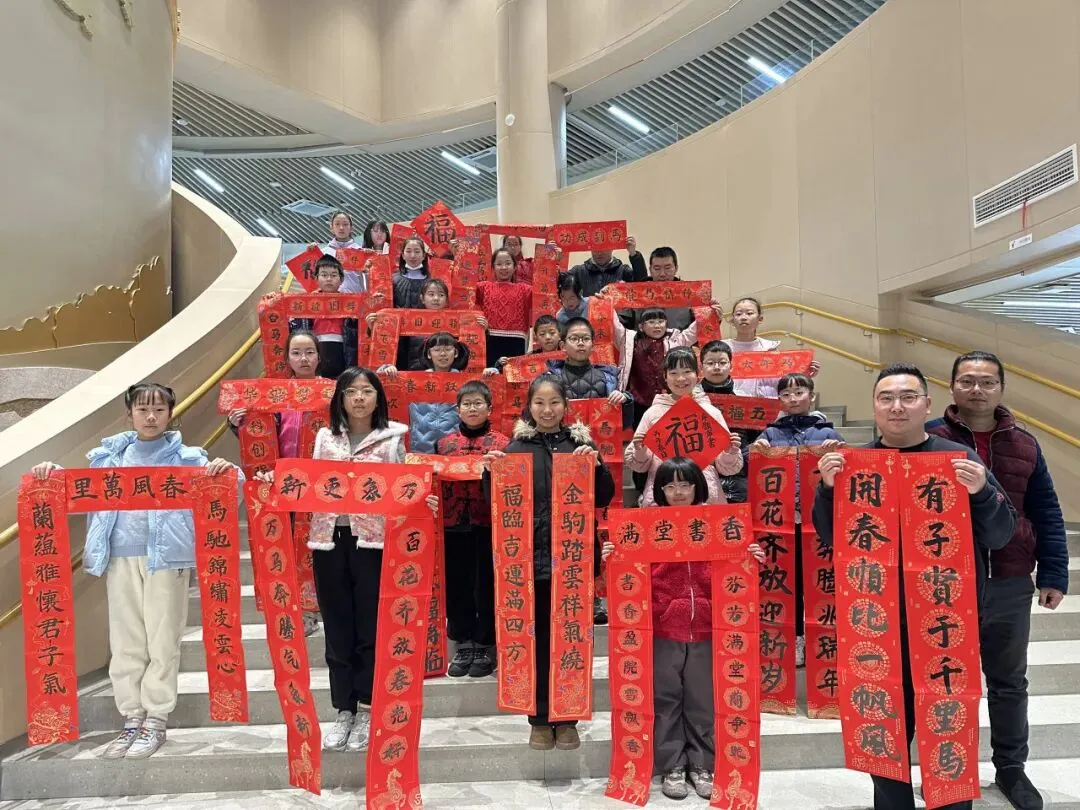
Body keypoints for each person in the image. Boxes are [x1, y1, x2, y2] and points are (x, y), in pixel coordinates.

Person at [812, 363, 1016, 810]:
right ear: (874, 406)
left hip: (944, 625)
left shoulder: (959, 459)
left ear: (927, 404)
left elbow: (1002, 534)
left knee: (948, 725)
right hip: (876, 627)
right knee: (880, 727)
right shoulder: (855, 465)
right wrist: (827, 489)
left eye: (908, 397)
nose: (897, 407)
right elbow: (829, 537)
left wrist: (982, 492)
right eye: (886, 398)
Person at [32, 383, 242, 760]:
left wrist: (228, 471)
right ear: (129, 413)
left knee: (163, 640)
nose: (150, 417)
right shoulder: (108, 459)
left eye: (159, 410)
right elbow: (79, 493)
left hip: (168, 560)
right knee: (126, 641)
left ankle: (156, 719)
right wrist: (52, 474)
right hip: (120, 558)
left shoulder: (188, 458)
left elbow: (230, 492)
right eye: (142, 409)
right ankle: (132, 717)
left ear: (170, 414)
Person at [926, 351, 1067, 810]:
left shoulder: (1024, 444)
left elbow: (1046, 511)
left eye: (987, 382)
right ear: (952, 386)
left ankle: (1011, 768)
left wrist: (1053, 573)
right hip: (943, 585)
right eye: (967, 381)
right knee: (943, 682)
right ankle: (947, 767)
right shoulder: (929, 439)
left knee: (1008, 682)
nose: (977, 390)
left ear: (1001, 388)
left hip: (1009, 580)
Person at [602, 457, 765, 800]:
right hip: (663, 628)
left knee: (702, 700)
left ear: (698, 486)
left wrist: (750, 555)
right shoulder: (646, 526)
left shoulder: (719, 524)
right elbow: (626, 579)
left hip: (708, 628)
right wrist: (614, 556)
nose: (678, 492)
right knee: (666, 700)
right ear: (659, 490)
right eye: (670, 486)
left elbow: (736, 573)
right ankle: (672, 765)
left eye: (685, 484)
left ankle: (702, 764)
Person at [301, 368, 437, 753]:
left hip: (374, 543)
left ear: (379, 397)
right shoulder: (325, 438)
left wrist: (421, 501)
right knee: (336, 628)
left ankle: (365, 706)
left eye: (366, 391)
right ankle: (342, 709)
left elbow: (404, 489)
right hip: (329, 540)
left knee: (369, 628)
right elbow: (310, 485)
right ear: (340, 398)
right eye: (351, 391)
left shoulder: (392, 438)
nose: (359, 398)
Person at [482, 374, 615, 751]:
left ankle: (567, 718)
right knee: (537, 642)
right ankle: (540, 719)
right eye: (539, 403)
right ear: (529, 407)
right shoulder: (514, 449)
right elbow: (497, 505)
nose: (547, 410)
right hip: (529, 565)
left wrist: (597, 467)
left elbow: (603, 497)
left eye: (554, 402)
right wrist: (489, 473)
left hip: (572, 563)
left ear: (565, 406)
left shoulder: (581, 446)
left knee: (571, 641)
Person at [227, 330, 324, 636]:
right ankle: (290, 610)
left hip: (319, 484)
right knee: (285, 547)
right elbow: (261, 436)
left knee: (314, 549)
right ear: (287, 359)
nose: (303, 358)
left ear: (319, 357)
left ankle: (313, 608)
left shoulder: (332, 392)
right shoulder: (273, 394)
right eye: (296, 353)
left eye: (309, 352)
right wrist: (238, 423)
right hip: (279, 484)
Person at [752, 373, 844, 667]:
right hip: (781, 523)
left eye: (799, 392)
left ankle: (827, 639)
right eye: (786, 394)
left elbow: (846, 471)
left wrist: (838, 454)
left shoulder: (827, 433)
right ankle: (796, 639)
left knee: (820, 582)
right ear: (779, 399)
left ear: (811, 396)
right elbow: (750, 465)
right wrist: (755, 452)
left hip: (818, 522)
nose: (793, 399)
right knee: (788, 584)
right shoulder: (769, 434)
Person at [436, 381, 511, 678]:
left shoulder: (503, 444)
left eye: (478, 403)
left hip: (488, 525)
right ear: (457, 409)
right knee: (457, 585)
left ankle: (484, 643)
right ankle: (462, 641)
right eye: (466, 404)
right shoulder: (444, 445)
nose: (472, 408)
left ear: (489, 408)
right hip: (453, 525)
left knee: (486, 585)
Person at [626, 348, 743, 507]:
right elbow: (639, 465)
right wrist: (640, 451)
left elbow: (727, 468)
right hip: (662, 495)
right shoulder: (652, 413)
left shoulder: (710, 412)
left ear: (697, 374)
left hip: (705, 494)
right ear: (665, 376)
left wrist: (730, 452)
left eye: (687, 371)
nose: (681, 378)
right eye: (673, 373)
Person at [614, 304, 719, 429]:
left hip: (669, 400)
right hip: (638, 401)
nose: (657, 325)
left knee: (670, 432)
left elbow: (694, 330)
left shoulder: (675, 340)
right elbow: (615, 325)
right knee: (642, 433)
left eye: (661, 321)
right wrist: (604, 303)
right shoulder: (629, 340)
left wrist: (710, 311)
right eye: (651, 322)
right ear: (641, 326)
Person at [379, 331, 469, 453]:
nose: (443, 354)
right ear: (429, 354)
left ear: (456, 353)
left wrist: (491, 373)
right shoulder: (415, 381)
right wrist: (387, 370)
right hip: (420, 444)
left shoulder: (465, 382)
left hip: (453, 445)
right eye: (437, 350)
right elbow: (384, 387)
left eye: (448, 349)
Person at [723, 297, 820, 399]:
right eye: (738, 314)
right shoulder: (723, 348)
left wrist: (804, 373)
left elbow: (781, 383)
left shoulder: (769, 348)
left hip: (763, 404)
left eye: (749, 313)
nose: (743, 317)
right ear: (732, 320)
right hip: (729, 402)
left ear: (760, 319)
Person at [289, 254, 358, 380]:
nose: (329, 279)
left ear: (341, 279)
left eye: (333, 275)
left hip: (343, 348)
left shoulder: (351, 302)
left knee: (340, 381)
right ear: (316, 278)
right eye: (324, 275)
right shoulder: (306, 301)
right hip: (315, 347)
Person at [697, 341, 749, 503]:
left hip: (738, 468)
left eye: (722, 362)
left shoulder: (745, 398)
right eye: (710, 363)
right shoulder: (691, 399)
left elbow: (753, 437)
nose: (716, 367)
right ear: (701, 367)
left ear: (731, 366)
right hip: (701, 469)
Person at [547, 317, 625, 406]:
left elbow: (621, 412)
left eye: (586, 339)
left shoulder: (608, 378)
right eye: (574, 339)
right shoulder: (550, 378)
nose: (581, 343)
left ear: (592, 345)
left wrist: (623, 398)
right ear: (563, 346)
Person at [477, 247, 532, 364]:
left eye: (508, 263)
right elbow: (462, 289)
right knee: (491, 373)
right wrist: (457, 256)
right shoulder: (484, 287)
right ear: (493, 267)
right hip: (490, 340)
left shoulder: (525, 290)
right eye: (499, 264)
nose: (503, 267)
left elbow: (546, 294)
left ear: (515, 266)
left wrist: (552, 260)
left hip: (516, 342)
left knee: (515, 374)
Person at [566, 235, 647, 298]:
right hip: (589, 313)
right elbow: (561, 282)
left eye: (604, 248)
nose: (599, 253)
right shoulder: (580, 271)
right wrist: (559, 261)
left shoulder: (623, 270)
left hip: (617, 314)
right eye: (596, 248)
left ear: (612, 248)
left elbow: (642, 283)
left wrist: (633, 254)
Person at [305, 211, 365, 293]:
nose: (341, 228)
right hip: (329, 299)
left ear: (351, 228)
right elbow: (312, 280)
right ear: (331, 228)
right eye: (337, 224)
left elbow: (369, 279)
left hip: (354, 298)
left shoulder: (361, 252)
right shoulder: (323, 253)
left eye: (345, 224)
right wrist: (309, 255)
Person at [639, 246, 693, 331]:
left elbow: (701, 325)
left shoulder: (689, 294)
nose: (662, 274)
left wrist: (711, 312)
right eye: (657, 268)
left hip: (680, 339)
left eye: (667, 268)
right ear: (650, 270)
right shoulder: (637, 294)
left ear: (676, 268)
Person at [392, 236, 432, 309]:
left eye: (417, 252)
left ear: (423, 256)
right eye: (408, 251)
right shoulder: (393, 280)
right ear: (403, 255)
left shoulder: (432, 281)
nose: (413, 256)